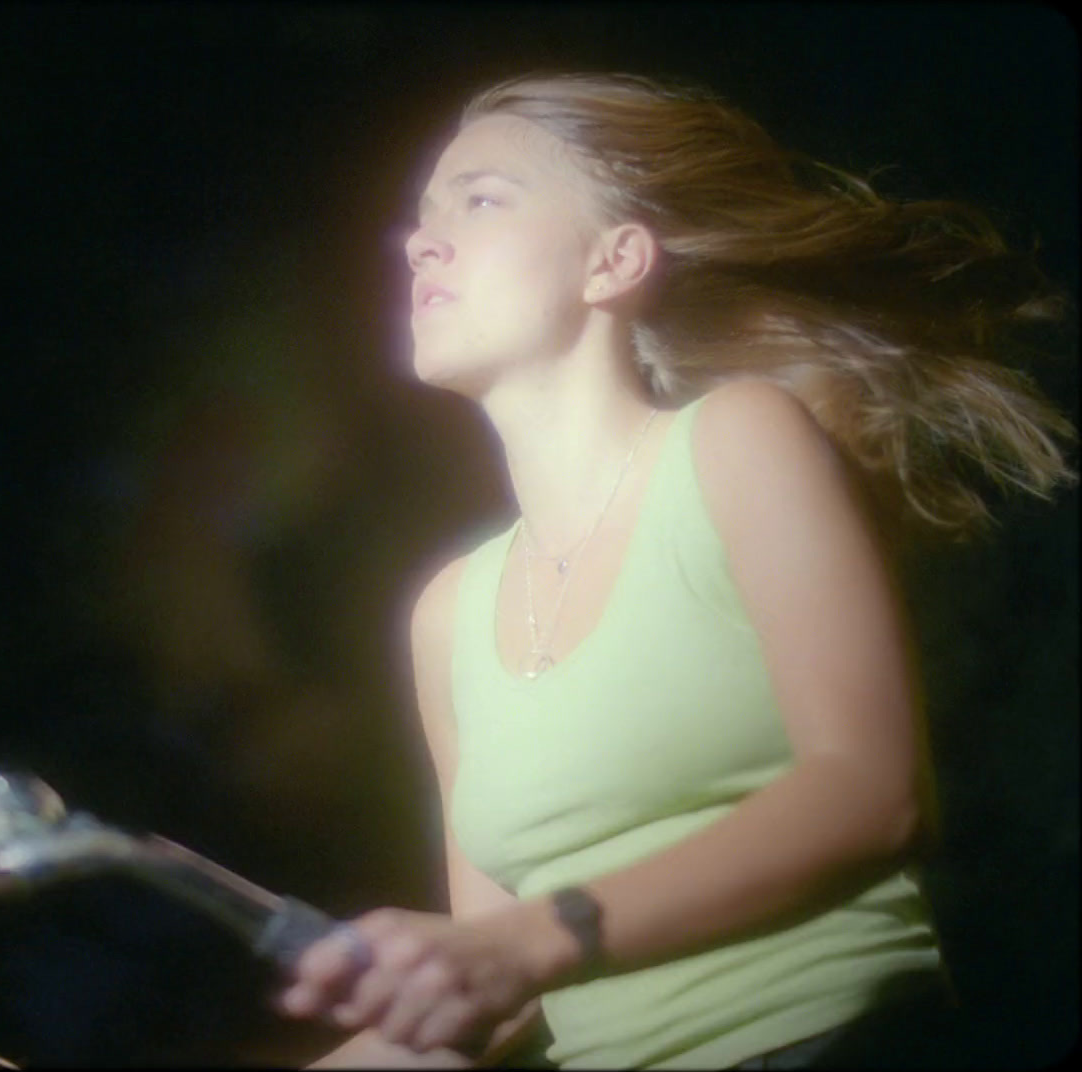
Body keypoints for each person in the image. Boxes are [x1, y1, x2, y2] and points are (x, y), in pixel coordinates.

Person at [273, 71, 1076, 1069]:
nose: (418, 241)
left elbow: (873, 795)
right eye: (421, 217)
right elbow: (486, 1008)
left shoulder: (736, 441)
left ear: (613, 260)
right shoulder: (446, 613)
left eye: (479, 200)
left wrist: (523, 943)